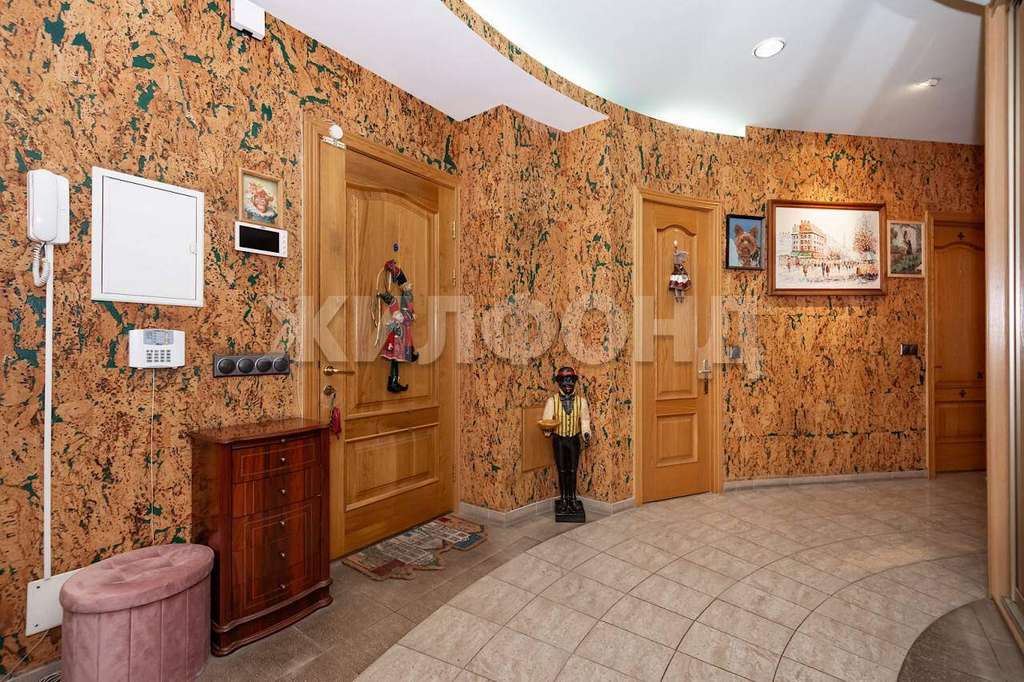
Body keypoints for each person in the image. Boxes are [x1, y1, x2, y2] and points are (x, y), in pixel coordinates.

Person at [540, 367, 592, 521]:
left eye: (571, 381)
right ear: (559, 383)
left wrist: (586, 432)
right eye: (564, 381)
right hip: (559, 440)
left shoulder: (582, 402)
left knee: (573, 470)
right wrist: (547, 429)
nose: (568, 384)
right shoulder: (552, 401)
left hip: (574, 440)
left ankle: (572, 499)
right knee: (562, 470)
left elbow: (585, 420)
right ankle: (563, 499)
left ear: (574, 382)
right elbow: (547, 419)